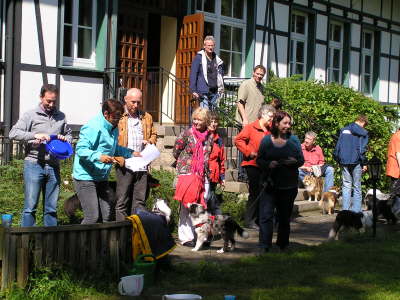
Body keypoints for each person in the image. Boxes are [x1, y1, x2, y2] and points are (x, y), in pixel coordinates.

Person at [9, 84, 72, 226]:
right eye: (48, 101)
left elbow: (68, 135)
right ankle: (26, 243)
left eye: (54, 101)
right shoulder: (30, 115)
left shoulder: (61, 116)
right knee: (30, 208)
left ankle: (49, 243)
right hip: (33, 164)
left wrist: (64, 139)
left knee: (51, 209)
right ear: (41, 97)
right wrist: (35, 135)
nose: (51, 104)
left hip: (53, 165)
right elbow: (13, 133)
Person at [73, 99, 135, 224]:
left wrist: (131, 153)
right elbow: (80, 149)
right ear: (106, 114)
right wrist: (99, 156)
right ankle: (81, 243)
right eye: (116, 117)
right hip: (85, 177)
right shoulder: (93, 126)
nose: (118, 121)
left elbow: (114, 148)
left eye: (120, 117)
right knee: (92, 217)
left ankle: (101, 243)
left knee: (107, 216)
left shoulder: (113, 127)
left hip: (101, 177)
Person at [256, 111, 304, 253]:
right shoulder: (266, 141)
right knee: (266, 216)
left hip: (288, 186)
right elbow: (259, 160)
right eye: (285, 123)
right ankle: (265, 245)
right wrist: (268, 164)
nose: (288, 126)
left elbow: (301, 160)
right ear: (276, 123)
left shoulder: (294, 140)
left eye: (289, 123)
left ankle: (283, 244)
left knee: (284, 218)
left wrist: (294, 162)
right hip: (269, 185)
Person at [173, 107, 213, 247]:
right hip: (187, 173)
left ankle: (201, 235)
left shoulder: (209, 136)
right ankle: (186, 237)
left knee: (201, 204)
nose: (196, 122)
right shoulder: (186, 134)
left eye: (199, 119)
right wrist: (188, 163)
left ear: (206, 121)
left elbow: (208, 155)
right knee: (186, 206)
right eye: (194, 118)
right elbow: (176, 151)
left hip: (202, 174)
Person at [115, 88, 157, 221]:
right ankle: (121, 233)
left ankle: (137, 233)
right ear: (125, 99)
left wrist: (149, 141)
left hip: (142, 163)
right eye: (133, 102)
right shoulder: (119, 116)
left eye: (138, 102)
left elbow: (154, 134)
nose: (136, 105)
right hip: (125, 162)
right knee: (122, 201)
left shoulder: (146, 117)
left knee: (139, 200)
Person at [235, 104, 276, 229]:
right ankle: (249, 220)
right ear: (262, 114)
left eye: (273, 117)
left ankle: (259, 219)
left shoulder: (270, 130)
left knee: (264, 192)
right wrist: (249, 152)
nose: (272, 119)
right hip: (252, 164)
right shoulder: (251, 127)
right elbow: (238, 140)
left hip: (266, 166)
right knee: (255, 192)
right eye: (270, 116)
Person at [235, 65, 266, 182]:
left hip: (255, 124)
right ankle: (241, 174)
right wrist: (245, 119)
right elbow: (239, 103)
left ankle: (249, 174)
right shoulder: (246, 84)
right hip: (245, 122)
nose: (259, 76)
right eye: (257, 74)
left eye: (261, 75)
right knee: (243, 148)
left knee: (252, 149)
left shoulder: (262, 88)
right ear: (253, 72)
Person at [334, 115, 369, 213]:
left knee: (346, 185)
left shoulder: (344, 130)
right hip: (356, 161)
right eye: (364, 125)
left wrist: (338, 159)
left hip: (344, 161)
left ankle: (345, 211)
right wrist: (364, 163)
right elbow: (362, 150)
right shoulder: (363, 133)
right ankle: (357, 211)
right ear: (363, 122)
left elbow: (338, 147)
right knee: (357, 186)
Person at [189, 36, 224, 110]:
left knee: (212, 115)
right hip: (203, 91)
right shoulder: (198, 58)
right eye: (208, 45)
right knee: (205, 112)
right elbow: (193, 74)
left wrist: (221, 88)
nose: (210, 47)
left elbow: (221, 75)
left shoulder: (217, 59)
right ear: (204, 46)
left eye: (212, 45)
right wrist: (193, 90)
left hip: (215, 91)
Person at [207, 111, 225, 215]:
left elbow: (221, 160)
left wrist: (222, 177)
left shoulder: (219, 140)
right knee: (209, 200)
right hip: (204, 173)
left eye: (215, 121)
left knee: (211, 198)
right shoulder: (203, 137)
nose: (213, 124)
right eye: (211, 121)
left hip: (214, 174)